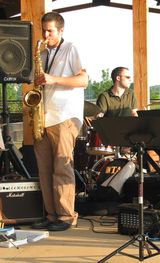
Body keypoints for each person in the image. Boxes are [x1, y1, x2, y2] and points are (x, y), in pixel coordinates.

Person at [31, 12, 88, 231]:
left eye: (50, 31)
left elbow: (83, 80)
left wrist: (54, 79)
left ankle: (66, 216)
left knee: (62, 167)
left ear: (61, 30)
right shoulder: (44, 54)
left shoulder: (71, 48)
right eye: (43, 30)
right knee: (45, 170)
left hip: (65, 116)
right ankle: (51, 215)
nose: (46, 34)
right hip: (44, 117)